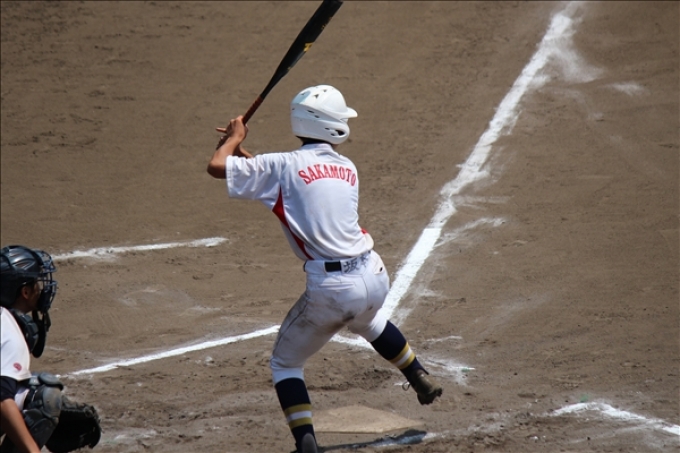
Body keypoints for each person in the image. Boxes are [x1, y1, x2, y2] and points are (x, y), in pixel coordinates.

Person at [207, 85, 443, 453]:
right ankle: (417, 374)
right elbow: (285, 185)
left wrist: (233, 140)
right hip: (374, 275)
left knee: (285, 363)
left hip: (332, 290)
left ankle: (306, 443)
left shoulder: (282, 165)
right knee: (369, 321)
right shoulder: (346, 168)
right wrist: (239, 151)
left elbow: (216, 167)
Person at [0, 245, 101, 453]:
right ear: (25, 292)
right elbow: (1, 399)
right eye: (37, 283)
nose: (42, 288)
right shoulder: (9, 333)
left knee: (24, 387)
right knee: (43, 397)